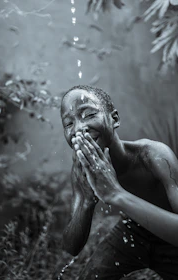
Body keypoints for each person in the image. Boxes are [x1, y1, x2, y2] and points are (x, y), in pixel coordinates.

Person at [60, 85, 178, 280]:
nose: (79, 129)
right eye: (68, 123)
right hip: (134, 231)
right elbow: (71, 247)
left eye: (89, 115)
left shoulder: (153, 156)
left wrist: (116, 194)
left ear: (114, 119)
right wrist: (87, 202)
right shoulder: (83, 170)